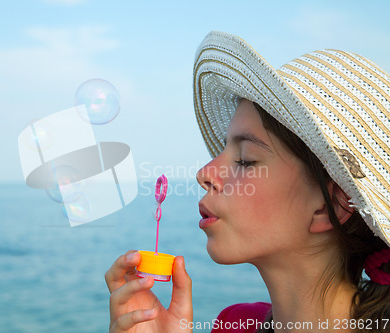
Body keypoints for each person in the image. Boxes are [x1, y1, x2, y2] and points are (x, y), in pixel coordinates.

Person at [105, 31, 390, 333]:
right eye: (223, 150)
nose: (204, 174)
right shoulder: (233, 324)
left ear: (328, 205)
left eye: (245, 159)